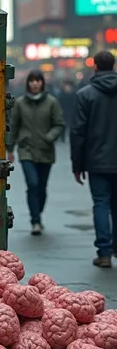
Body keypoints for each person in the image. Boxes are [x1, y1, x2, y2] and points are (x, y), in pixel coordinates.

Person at [70, 50, 117, 268]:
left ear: (95, 66)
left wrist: (77, 165)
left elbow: (78, 132)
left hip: (97, 161)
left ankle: (104, 252)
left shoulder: (85, 95)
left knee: (101, 204)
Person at [7, 70, 64, 235]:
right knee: (32, 184)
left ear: (42, 83)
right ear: (28, 83)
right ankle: (35, 220)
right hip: (26, 151)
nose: (35, 84)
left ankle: (38, 212)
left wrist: (49, 137)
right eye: (32, 81)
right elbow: (14, 126)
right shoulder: (20, 103)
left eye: (38, 81)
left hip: (46, 151)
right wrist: (10, 149)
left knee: (41, 187)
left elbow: (59, 124)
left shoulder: (52, 102)